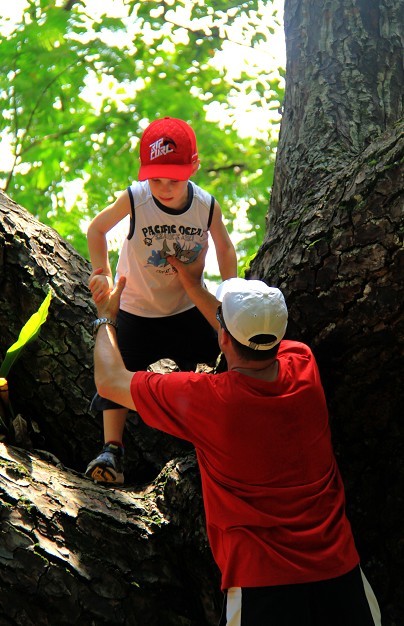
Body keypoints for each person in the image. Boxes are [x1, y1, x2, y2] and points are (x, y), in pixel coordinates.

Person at [90, 247, 382, 626]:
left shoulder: (209, 401)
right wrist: (195, 286)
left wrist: (106, 318)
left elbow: (110, 381)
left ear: (223, 338)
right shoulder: (303, 366)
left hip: (263, 586)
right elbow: (247, 338)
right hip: (342, 577)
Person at [85, 116, 237, 485]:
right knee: (119, 374)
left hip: (186, 308)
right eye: (156, 179)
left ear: (194, 167)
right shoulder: (136, 198)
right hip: (137, 307)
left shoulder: (206, 205)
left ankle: (221, 435)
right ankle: (112, 449)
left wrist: (231, 289)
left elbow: (225, 246)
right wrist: (101, 271)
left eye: (174, 179)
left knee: (217, 362)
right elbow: (97, 228)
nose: (164, 188)